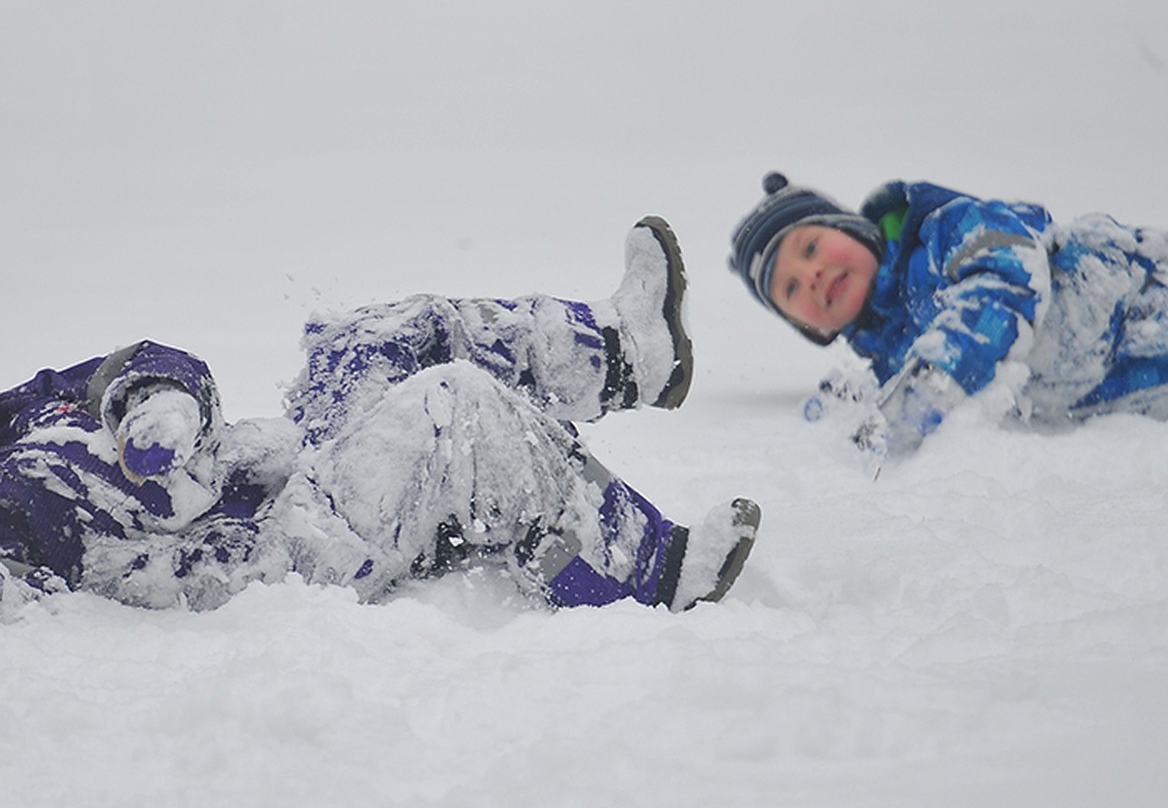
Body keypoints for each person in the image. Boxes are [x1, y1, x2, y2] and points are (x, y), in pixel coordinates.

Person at [0, 218, 760, 618]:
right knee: (451, 408)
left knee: (360, 340)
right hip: (263, 562)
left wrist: (159, 393)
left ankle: (631, 351)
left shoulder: (19, 410)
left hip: (276, 468)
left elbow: (129, 364)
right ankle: (659, 573)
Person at [729, 172, 1168, 456]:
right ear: (809, 327)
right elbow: (873, 398)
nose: (810, 274)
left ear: (853, 229)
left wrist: (931, 386)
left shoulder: (945, 232)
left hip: (1156, 305)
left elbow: (1005, 282)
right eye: (789, 288)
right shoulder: (889, 356)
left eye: (810, 246)